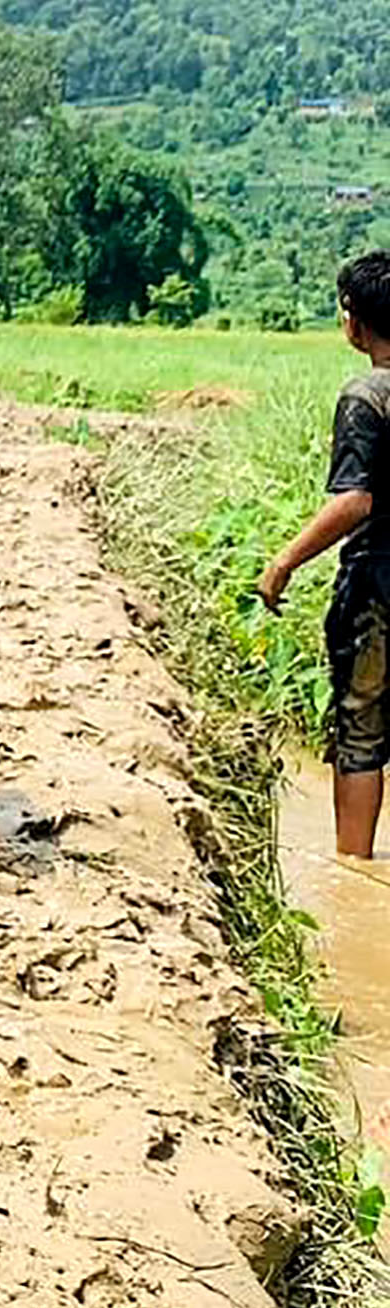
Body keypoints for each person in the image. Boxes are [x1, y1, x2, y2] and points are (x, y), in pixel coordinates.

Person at [260, 252, 390, 856]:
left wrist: (285, 561)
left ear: (355, 321)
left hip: (380, 590)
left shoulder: (367, 395)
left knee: (361, 729)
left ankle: (355, 871)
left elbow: (354, 501)